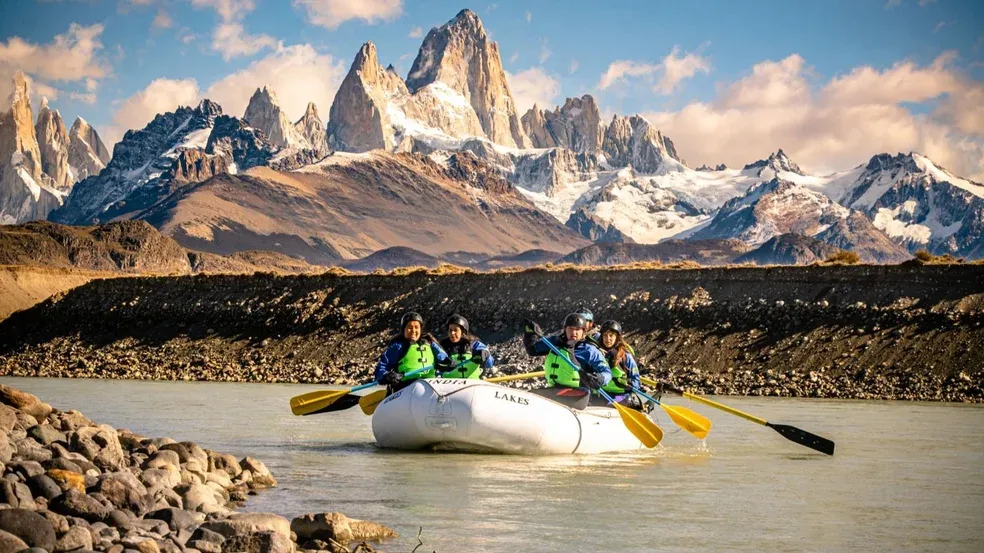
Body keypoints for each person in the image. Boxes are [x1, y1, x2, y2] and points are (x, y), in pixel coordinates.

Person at [523, 313, 612, 410]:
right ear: (565, 329)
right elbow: (532, 350)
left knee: (533, 397)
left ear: (583, 331)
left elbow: (607, 372)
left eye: (577, 329)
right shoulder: (555, 342)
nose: (574, 332)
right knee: (531, 397)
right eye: (571, 329)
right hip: (556, 389)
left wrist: (599, 379)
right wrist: (530, 334)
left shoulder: (589, 350)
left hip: (578, 395)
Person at [375, 312, 452, 392]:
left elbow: (442, 356)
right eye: (409, 327)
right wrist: (386, 376)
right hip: (406, 387)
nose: (413, 331)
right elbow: (382, 366)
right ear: (403, 329)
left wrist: (448, 362)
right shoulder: (398, 346)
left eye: (416, 327)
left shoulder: (430, 344)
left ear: (420, 329)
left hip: (431, 385)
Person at [596, 320, 645, 410]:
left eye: (611, 335)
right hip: (603, 394)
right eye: (605, 335)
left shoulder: (626, 356)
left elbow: (636, 382)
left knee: (609, 406)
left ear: (617, 337)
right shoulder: (596, 354)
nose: (608, 339)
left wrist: (627, 383)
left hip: (621, 396)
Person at [439, 314, 494, 379]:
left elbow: (489, 364)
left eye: (455, 330)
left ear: (463, 331)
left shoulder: (474, 344)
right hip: (450, 385)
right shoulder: (441, 347)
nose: (452, 333)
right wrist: (442, 367)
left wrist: (486, 356)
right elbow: (436, 366)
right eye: (450, 330)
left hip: (471, 383)